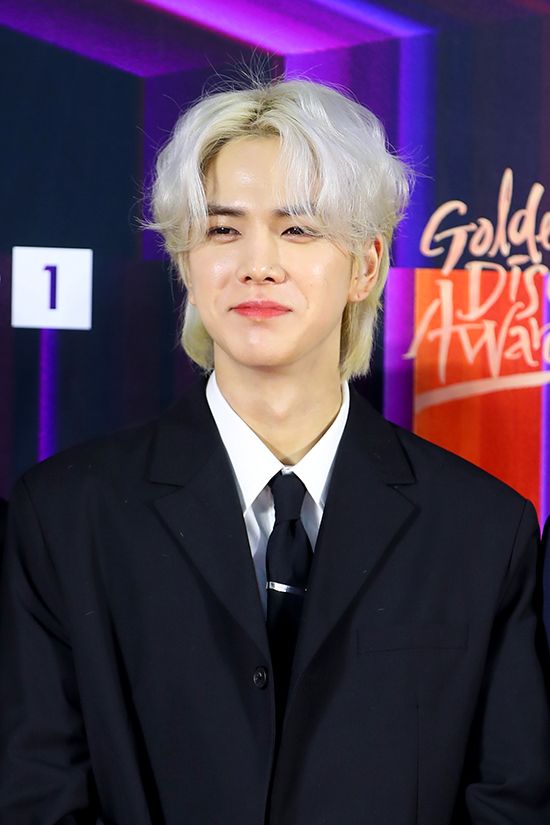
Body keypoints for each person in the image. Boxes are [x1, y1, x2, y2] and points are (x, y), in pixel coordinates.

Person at [1, 79, 549, 825]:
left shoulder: (485, 531)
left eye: (297, 229)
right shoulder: (63, 519)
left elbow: (511, 799)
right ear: (186, 261)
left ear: (365, 265)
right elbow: (38, 794)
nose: (258, 264)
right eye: (223, 231)